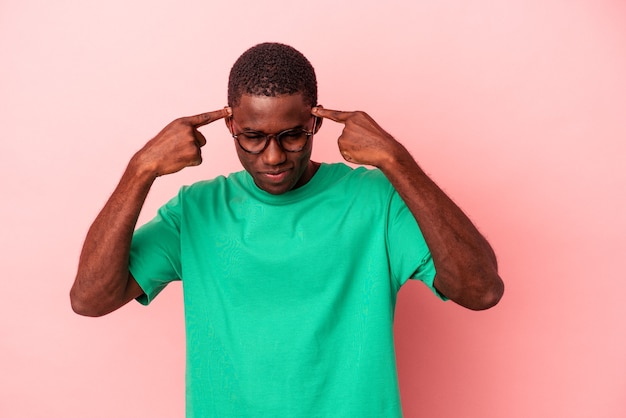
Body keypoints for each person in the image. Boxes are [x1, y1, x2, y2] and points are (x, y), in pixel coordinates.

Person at [70, 42, 504, 417]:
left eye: (292, 135)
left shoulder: (376, 200)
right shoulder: (196, 210)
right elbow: (91, 299)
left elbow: (481, 290)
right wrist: (140, 170)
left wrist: (397, 162)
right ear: (231, 127)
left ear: (315, 122)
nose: (273, 157)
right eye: (253, 137)